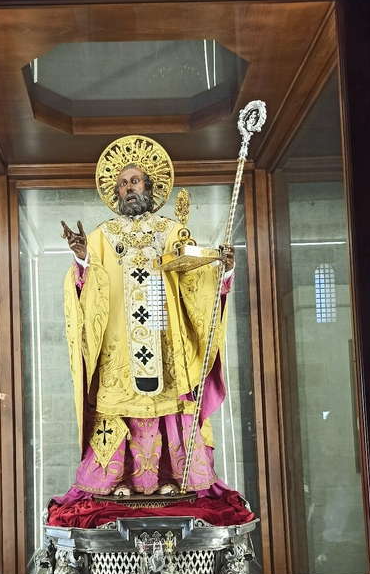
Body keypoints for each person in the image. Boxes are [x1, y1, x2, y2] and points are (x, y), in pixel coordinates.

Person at [53, 135, 251, 523]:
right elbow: (86, 286)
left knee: (171, 405)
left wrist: (221, 267)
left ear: (150, 187)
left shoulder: (172, 231)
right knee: (115, 407)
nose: (129, 188)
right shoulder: (101, 236)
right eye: (122, 184)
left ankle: (173, 477)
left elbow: (195, 282)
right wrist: (82, 259)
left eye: (135, 181)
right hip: (119, 350)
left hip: (165, 343)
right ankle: (117, 479)